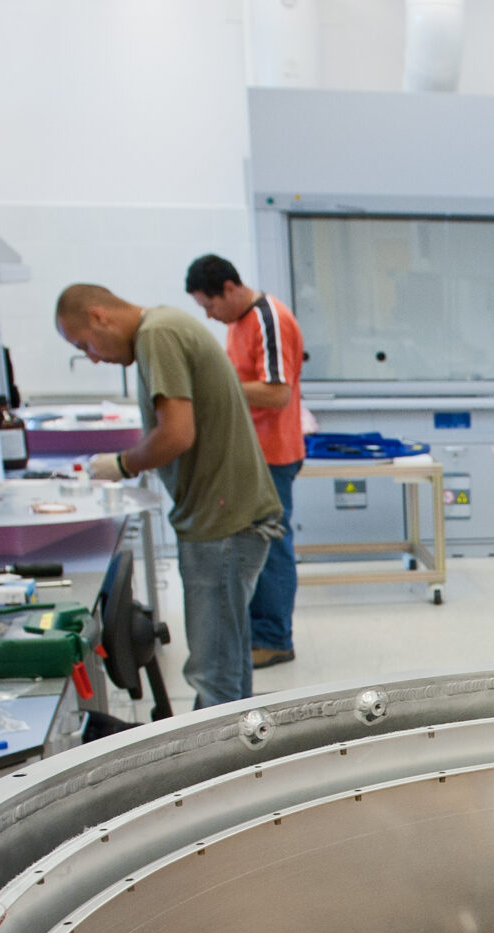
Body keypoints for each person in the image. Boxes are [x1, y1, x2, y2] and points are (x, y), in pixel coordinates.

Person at [55, 283, 284, 709]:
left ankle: (218, 769)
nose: (92, 356)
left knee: (214, 673)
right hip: (227, 517)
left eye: (85, 343)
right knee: (228, 665)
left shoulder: (156, 334)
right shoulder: (165, 326)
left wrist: (122, 464)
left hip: (222, 524)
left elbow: (176, 433)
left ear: (99, 316)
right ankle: (241, 760)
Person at [186, 253, 314, 668]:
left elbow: (277, 393)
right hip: (251, 453)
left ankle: (275, 638)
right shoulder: (237, 323)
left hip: (272, 454)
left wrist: (218, 386)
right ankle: (261, 631)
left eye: (210, 305)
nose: (209, 315)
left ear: (228, 288)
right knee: (255, 544)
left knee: (272, 545)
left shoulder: (266, 318)